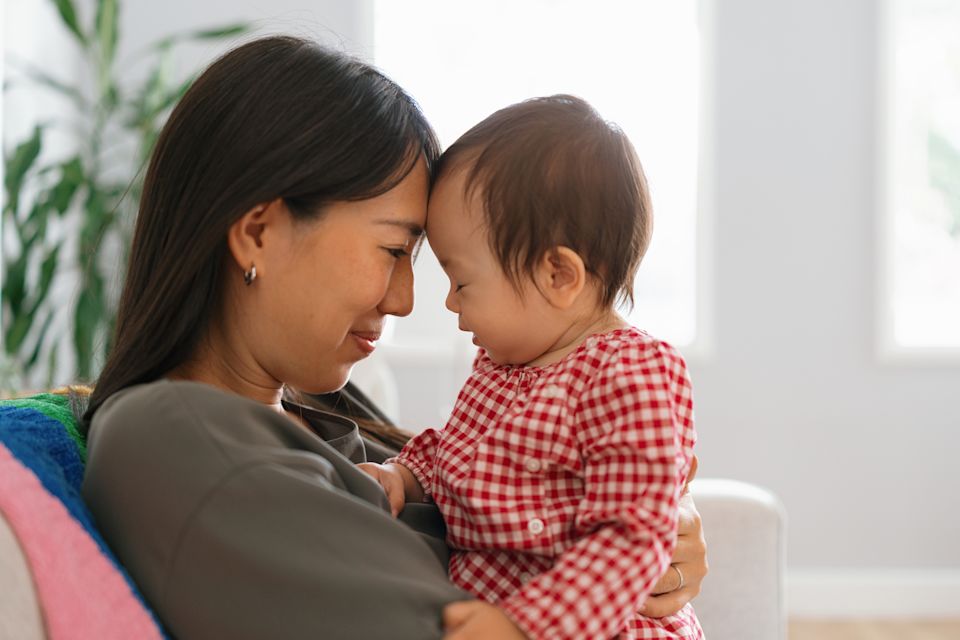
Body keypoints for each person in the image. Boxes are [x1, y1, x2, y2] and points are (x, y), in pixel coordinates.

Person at [80, 36, 706, 640]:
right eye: (393, 248)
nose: (407, 299)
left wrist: (654, 541)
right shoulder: (173, 438)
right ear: (259, 233)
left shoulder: (318, 408)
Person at [359, 95, 703, 639]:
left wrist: (523, 627)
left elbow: (631, 537)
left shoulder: (631, 372)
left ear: (558, 275)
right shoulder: (501, 367)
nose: (450, 302)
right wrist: (403, 475)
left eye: (462, 281)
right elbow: (457, 455)